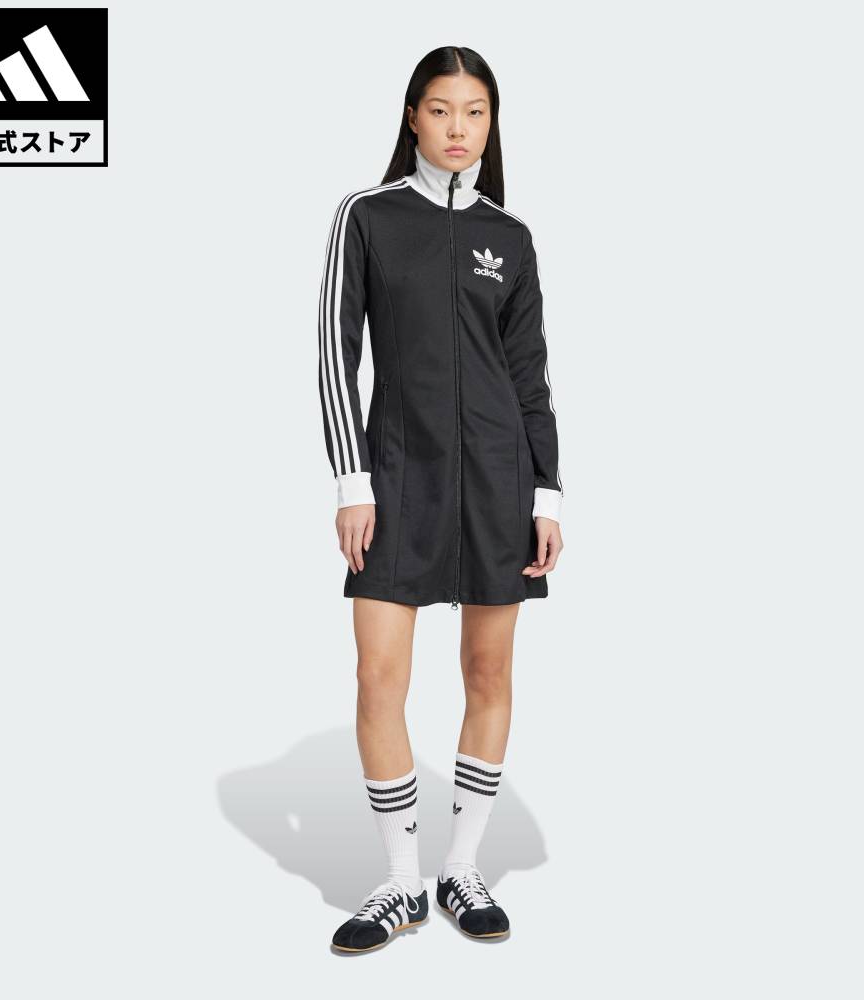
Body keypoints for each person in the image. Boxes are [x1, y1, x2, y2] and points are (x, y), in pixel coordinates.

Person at [319, 45, 564, 953]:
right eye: (440, 110)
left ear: (492, 123)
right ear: (412, 117)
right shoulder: (368, 216)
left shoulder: (513, 238)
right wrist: (353, 482)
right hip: (397, 477)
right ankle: (400, 882)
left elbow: (531, 378)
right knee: (377, 676)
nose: (459, 129)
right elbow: (335, 355)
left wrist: (547, 494)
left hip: (499, 479)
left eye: (475, 112)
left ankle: (460, 868)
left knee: (488, 675)